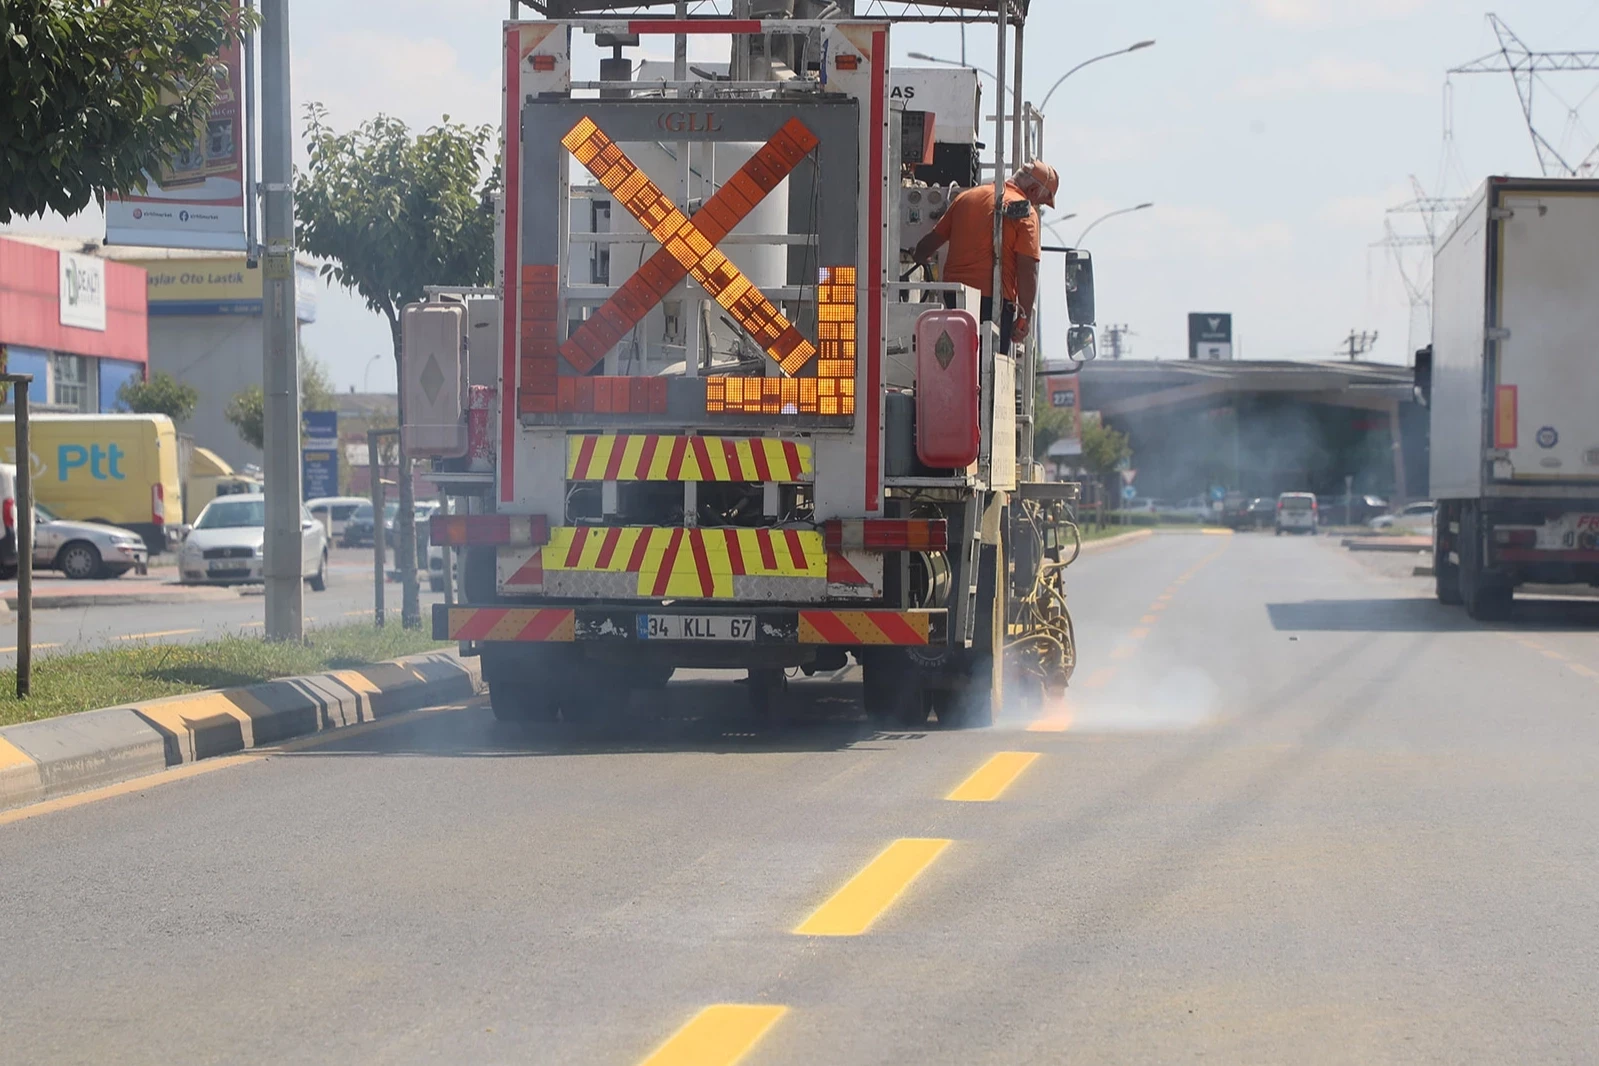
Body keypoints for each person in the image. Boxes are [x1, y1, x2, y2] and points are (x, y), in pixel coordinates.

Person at [912, 160, 1059, 350]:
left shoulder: (966, 198)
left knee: (956, 359)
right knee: (986, 368)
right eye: (1039, 201)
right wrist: (1024, 318)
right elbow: (1027, 269)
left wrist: (917, 256)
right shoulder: (1025, 212)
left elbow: (928, 245)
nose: (1036, 206)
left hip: (954, 299)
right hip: (994, 303)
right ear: (1031, 190)